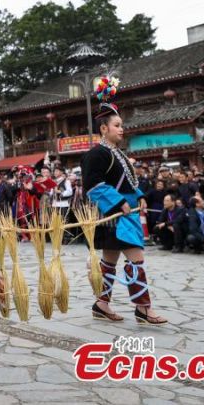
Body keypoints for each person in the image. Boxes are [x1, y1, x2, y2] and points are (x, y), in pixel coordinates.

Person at [80, 78, 166, 325]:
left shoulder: (118, 154)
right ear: (104, 129)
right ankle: (143, 308)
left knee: (109, 261)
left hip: (124, 212)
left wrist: (138, 197)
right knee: (136, 259)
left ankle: (101, 304)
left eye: (121, 125)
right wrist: (118, 204)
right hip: (116, 216)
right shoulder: (97, 153)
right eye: (117, 125)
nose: (121, 129)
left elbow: (129, 183)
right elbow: (92, 186)